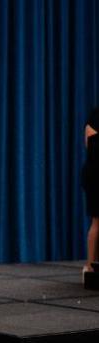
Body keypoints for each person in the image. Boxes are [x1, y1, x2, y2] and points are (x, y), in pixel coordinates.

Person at [82, 107, 99, 276]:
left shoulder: (93, 116)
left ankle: (91, 266)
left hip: (92, 173)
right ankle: (89, 267)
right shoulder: (95, 116)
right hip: (96, 175)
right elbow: (91, 146)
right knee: (97, 221)